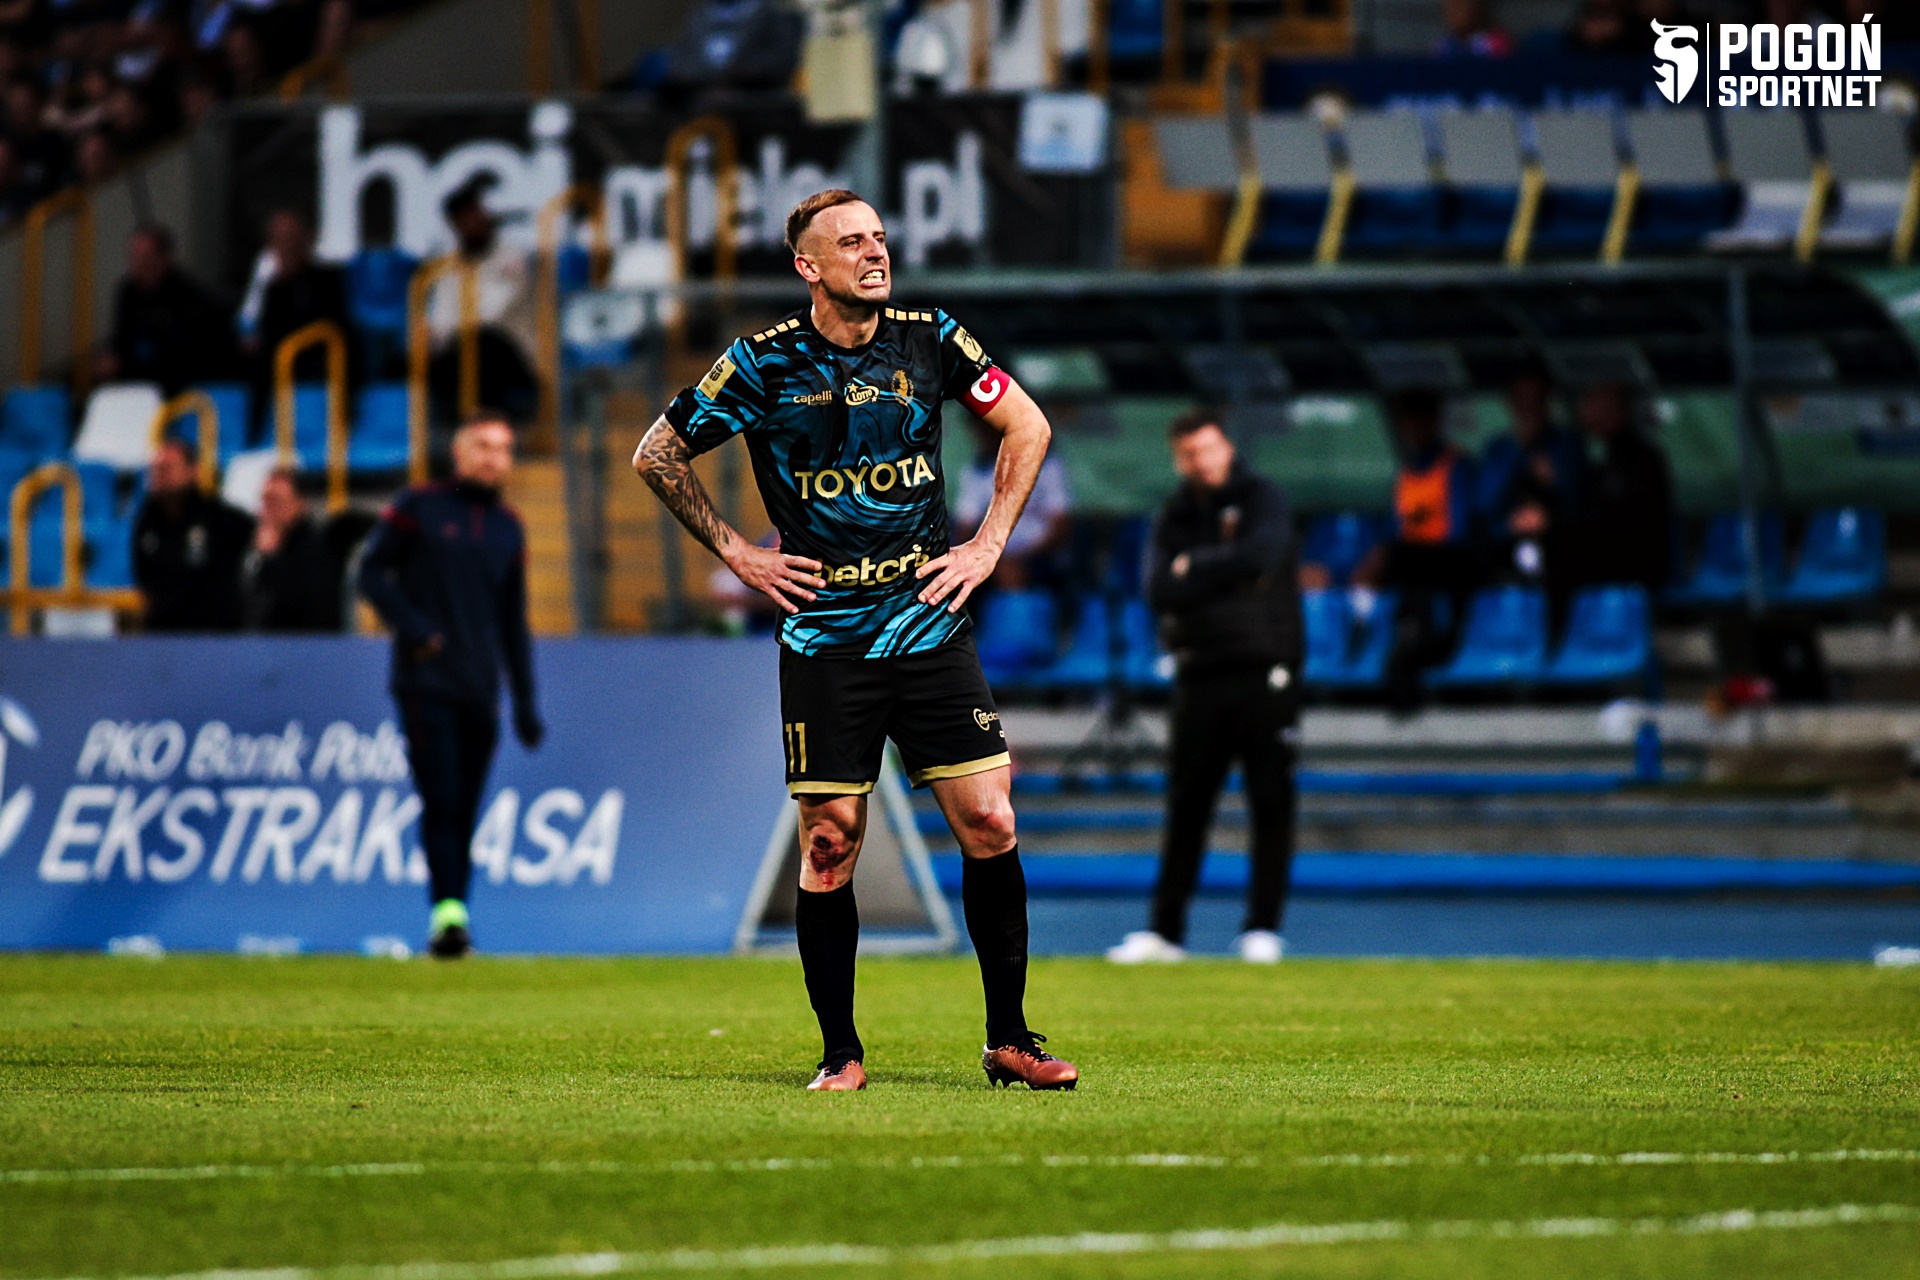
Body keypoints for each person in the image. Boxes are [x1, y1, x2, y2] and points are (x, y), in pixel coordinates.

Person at [633, 188, 1075, 1094]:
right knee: (830, 842)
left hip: (927, 619)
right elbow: (657, 453)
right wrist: (739, 554)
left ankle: (1010, 1040)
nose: (875, 253)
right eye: (852, 242)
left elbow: (1027, 425)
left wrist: (988, 544)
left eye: (879, 237)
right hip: (826, 633)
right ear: (809, 266)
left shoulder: (931, 338)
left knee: (991, 820)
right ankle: (841, 1053)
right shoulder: (759, 363)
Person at [1108, 410, 1304, 967]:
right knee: (1187, 805)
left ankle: (1262, 927)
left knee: (1270, 801)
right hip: (1198, 672)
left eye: (1210, 448)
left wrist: (1193, 566)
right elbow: (1157, 587)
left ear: (1228, 446)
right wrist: (1226, 573)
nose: (1203, 461)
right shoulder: (1175, 512)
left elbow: (1262, 555)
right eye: (1191, 453)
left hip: (1266, 670)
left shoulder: (1263, 497)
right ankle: (1166, 932)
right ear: (1179, 459)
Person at [357, 414, 544, 958]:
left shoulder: (508, 527)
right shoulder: (419, 506)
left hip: (481, 686)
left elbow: (513, 621)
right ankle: (447, 913)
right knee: (441, 797)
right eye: (482, 446)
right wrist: (417, 630)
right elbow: (370, 573)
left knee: (464, 803)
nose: (493, 458)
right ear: (459, 453)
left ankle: (454, 913)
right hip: (426, 679)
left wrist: (525, 701)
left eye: (503, 448)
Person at [1352, 387, 1482, 709]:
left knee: (1392, 559)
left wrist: (1408, 550)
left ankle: (1372, 633)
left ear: (1433, 421)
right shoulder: (1406, 473)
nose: (1412, 429)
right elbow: (1394, 527)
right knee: (1375, 564)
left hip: (1449, 560)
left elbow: (1458, 529)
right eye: (1407, 421)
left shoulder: (1454, 465)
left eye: (1419, 419)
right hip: (1411, 565)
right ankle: (1360, 633)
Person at [426, 180, 539, 427]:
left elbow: (493, 313)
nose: (472, 223)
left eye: (475, 213)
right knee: (419, 358)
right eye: (463, 218)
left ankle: (487, 429)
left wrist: (455, 330)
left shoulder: (513, 257)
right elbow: (440, 320)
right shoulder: (449, 267)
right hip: (462, 351)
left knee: (481, 343)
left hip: (513, 355)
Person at [1553, 382, 1674, 593]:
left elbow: (1623, 522)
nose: (1585, 408)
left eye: (1593, 401)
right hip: (1610, 559)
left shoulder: (1639, 459)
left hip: (1633, 565)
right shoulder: (1600, 455)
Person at [250, 208, 354, 441]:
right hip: (283, 360)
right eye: (279, 240)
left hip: (320, 357)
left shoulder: (329, 279)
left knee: (344, 353)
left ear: (306, 240)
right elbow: (268, 331)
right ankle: (254, 437)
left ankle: (344, 427)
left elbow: (336, 325)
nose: (286, 247)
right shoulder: (273, 288)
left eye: (291, 239)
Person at [1478, 361, 1584, 589]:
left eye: (1536, 398)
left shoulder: (1566, 446)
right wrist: (1510, 524)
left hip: (1558, 549)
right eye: (1522, 398)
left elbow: (1578, 501)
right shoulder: (1499, 449)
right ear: (1511, 402)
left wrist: (1552, 489)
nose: (1529, 406)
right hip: (1503, 548)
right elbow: (1484, 503)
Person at [132, 436, 254, 632]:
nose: (160, 475)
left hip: (214, 636)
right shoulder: (146, 523)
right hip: (163, 636)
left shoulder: (222, 520)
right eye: (155, 469)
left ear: (193, 470)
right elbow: (144, 578)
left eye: (168, 468)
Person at [99, 223, 236, 393]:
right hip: (135, 386)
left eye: (145, 256)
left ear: (162, 258)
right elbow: (121, 340)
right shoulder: (127, 293)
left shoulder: (187, 295)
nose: (138, 263)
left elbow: (193, 351)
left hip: (177, 387)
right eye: (134, 255)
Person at [951, 412, 1071, 590]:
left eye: (987, 428)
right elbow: (965, 528)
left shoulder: (1047, 465)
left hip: (1040, 559)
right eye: (979, 429)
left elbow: (1060, 527)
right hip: (992, 561)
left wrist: (1020, 559)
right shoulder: (975, 472)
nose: (983, 435)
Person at [241, 467, 347, 632]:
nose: (267, 510)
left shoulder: (319, 552)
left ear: (300, 504)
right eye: (265, 501)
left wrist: (271, 561)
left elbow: (310, 610)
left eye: (276, 501)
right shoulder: (249, 545)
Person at [1434, 0, 1512, 57]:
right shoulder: (1443, 48)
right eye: (1450, 5)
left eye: (1460, 4)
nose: (1454, 11)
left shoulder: (1497, 46)